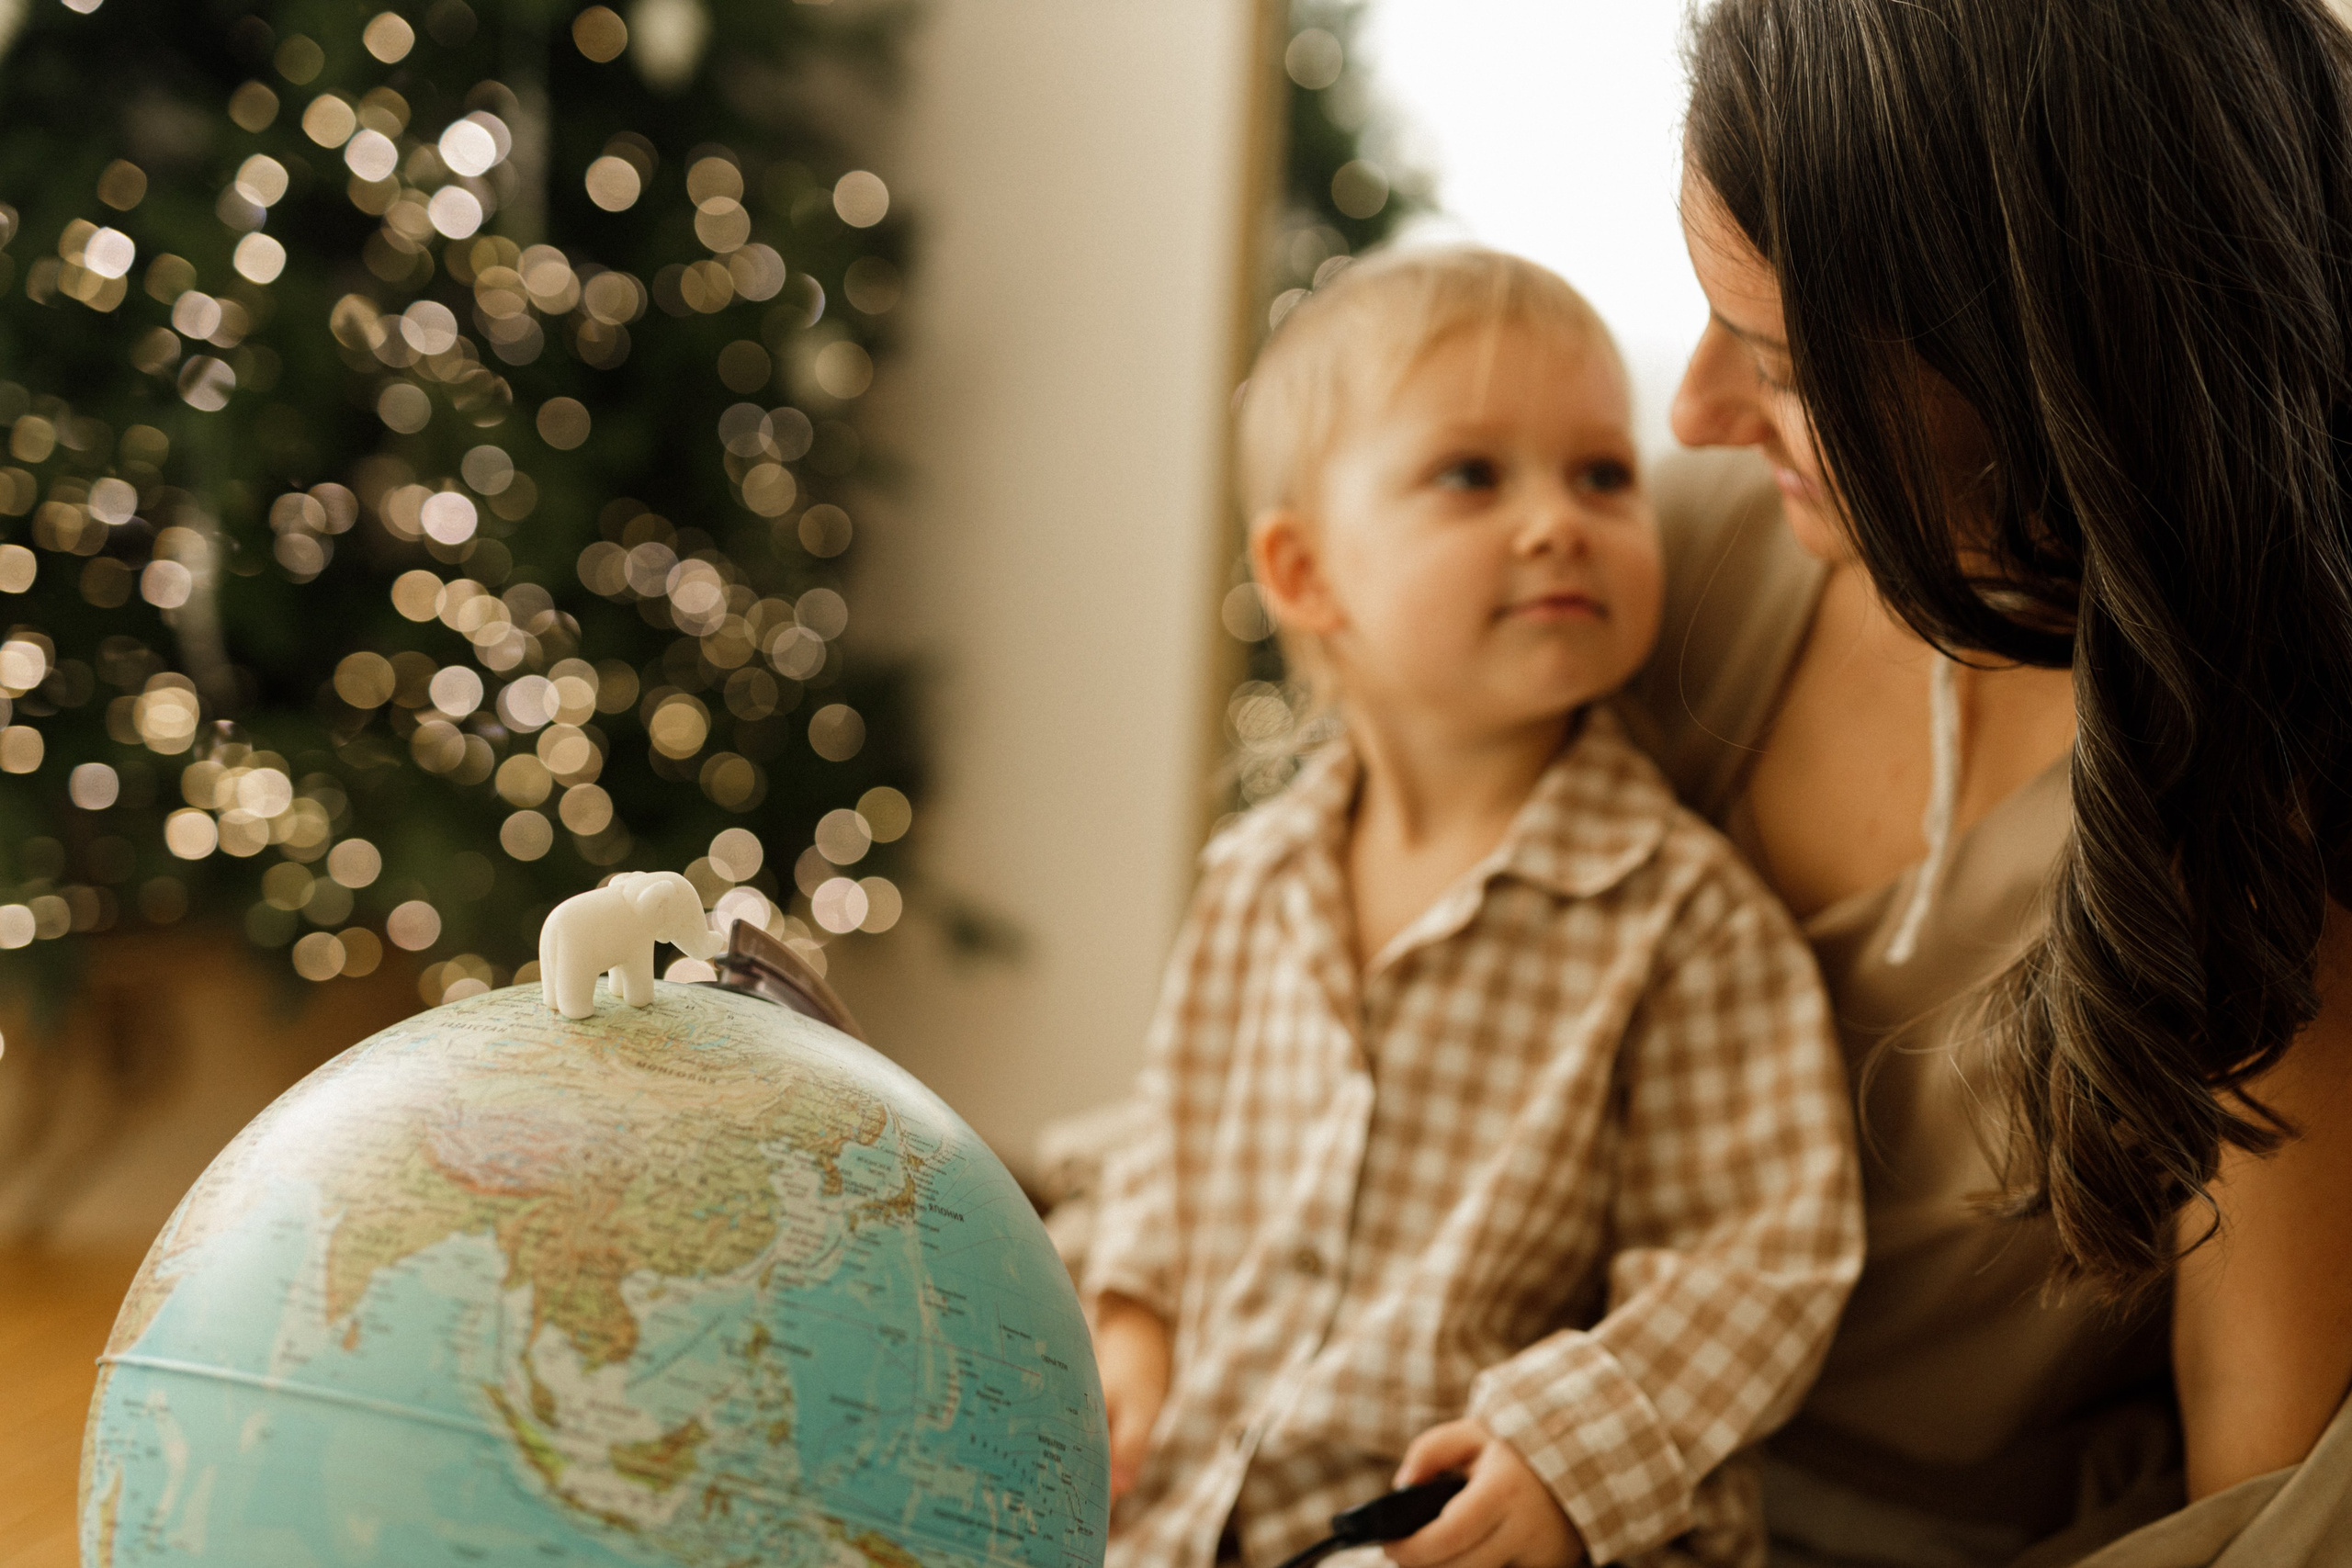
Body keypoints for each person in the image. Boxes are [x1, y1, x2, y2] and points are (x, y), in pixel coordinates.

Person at [1627, 0, 2352, 1562]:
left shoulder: (2262, 815)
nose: (1690, 413)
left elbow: (2261, 1510)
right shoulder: (1670, 565)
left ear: (2046, 375)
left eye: (1781, 367)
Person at [1080, 246, 1864, 1568]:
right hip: (1201, 1508)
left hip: (1481, 1529)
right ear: (1307, 572)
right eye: (1472, 475)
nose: (1559, 520)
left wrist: (1571, 1461)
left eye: (1604, 475)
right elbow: (1166, 1157)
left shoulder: (1684, 917)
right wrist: (1131, 1330)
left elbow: (1761, 1256)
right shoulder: (1252, 884)